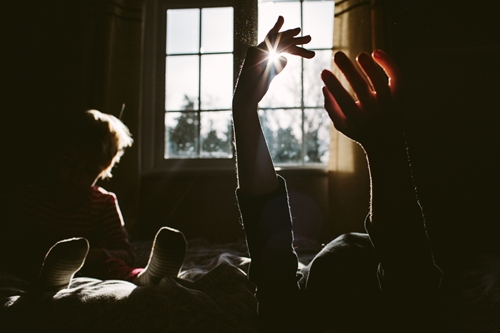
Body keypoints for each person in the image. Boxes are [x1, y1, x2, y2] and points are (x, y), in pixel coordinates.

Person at [233, 16, 443, 332]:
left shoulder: (289, 319)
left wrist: (244, 109)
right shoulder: (406, 311)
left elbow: (272, 266)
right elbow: (411, 282)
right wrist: (385, 146)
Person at [0, 110, 187, 290]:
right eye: (70, 162)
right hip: (37, 264)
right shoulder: (34, 196)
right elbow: (12, 244)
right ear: (57, 157)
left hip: (88, 267)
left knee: (112, 265)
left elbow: (127, 254)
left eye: (89, 169)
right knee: (21, 262)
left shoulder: (103, 202)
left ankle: (148, 277)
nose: (76, 174)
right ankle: (51, 279)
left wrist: (96, 255)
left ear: (102, 170)